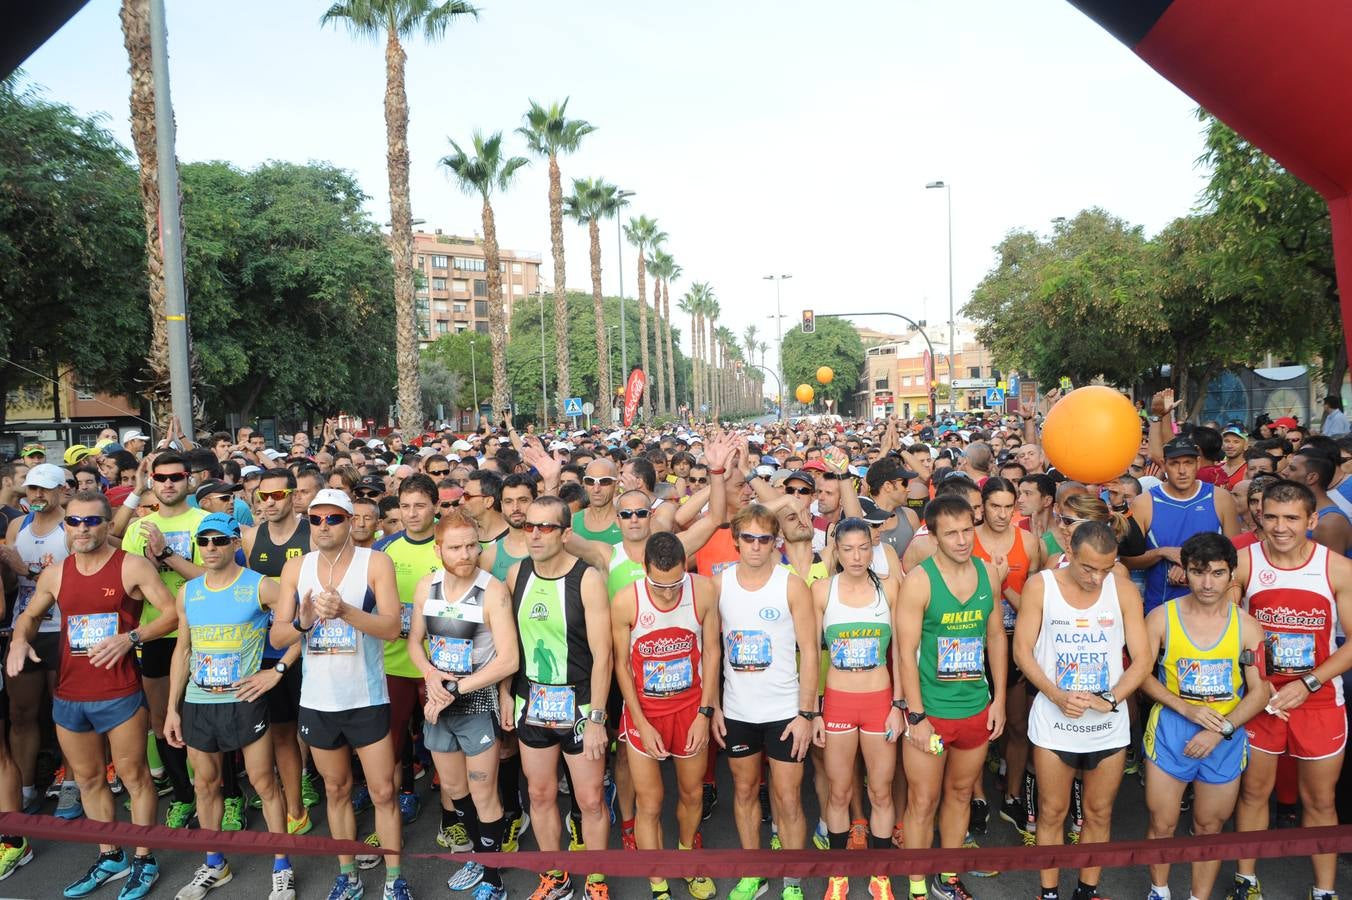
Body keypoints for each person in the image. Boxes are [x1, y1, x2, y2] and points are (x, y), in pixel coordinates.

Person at [6, 490, 178, 900]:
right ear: (66, 526)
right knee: (86, 779)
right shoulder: (57, 573)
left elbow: (172, 612)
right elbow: (29, 615)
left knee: (134, 777)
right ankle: (110, 854)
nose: (83, 529)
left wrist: (131, 637)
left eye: (93, 521)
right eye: (75, 521)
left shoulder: (131, 566)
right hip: (70, 693)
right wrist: (17, 641)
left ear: (106, 524)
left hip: (118, 691)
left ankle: (143, 859)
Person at [269, 489, 408, 900]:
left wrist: (346, 611)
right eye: (316, 520)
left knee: (383, 791)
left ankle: (394, 878)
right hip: (319, 699)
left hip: (365, 696)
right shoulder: (296, 568)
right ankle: (348, 875)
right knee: (335, 790)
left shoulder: (375, 562)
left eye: (333, 519)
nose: (324, 527)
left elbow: (391, 627)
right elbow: (277, 635)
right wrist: (303, 621)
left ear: (350, 522)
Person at [1225, 480, 1352, 900]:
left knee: (1319, 800)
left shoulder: (1336, 568)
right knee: (1255, 792)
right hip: (1262, 699)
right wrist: (1254, 682)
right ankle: (1247, 881)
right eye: (1272, 517)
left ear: (1312, 520)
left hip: (1316, 699)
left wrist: (1308, 682)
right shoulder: (1242, 562)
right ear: (1260, 516)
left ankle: (1325, 890)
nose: (1280, 527)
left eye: (1292, 518)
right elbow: (1224, 629)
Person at [163, 512, 297, 900]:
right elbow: (182, 650)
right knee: (204, 785)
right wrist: (173, 708)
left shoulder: (260, 586)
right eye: (203, 541)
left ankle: (282, 865)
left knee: (263, 783)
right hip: (199, 703)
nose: (210, 548)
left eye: (219, 541)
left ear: (235, 544)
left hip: (244, 701)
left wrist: (278, 670)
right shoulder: (189, 591)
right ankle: (214, 864)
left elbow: (300, 628)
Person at [1014, 520, 1150, 900]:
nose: (1096, 578)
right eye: (1088, 567)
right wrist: (1056, 695)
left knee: (1099, 814)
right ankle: (1049, 893)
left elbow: (1142, 659)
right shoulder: (1041, 586)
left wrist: (1111, 698)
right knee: (1052, 812)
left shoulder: (1121, 589)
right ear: (1069, 553)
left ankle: (1087, 891)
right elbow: (1022, 651)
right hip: (1055, 721)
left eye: (1106, 568)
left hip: (1106, 724)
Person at [1140, 533, 1268, 900]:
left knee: (1209, 826)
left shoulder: (1247, 626)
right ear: (1186, 572)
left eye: (1217, 572)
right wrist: (1185, 708)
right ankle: (1159, 891)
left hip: (1224, 737)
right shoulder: (1161, 617)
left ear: (1232, 575)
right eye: (1198, 572)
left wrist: (1220, 731)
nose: (1207, 583)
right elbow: (1142, 676)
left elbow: (1259, 691)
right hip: (1172, 731)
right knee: (1162, 824)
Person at [897, 494, 1006, 900]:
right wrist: (917, 716)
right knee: (922, 801)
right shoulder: (920, 581)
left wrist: (997, 700)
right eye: (951, 533)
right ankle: (916, 884)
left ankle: (946, 875)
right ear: (935, 536)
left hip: (975, 707)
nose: (962, 540)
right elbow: (906, 654)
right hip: (933, 712)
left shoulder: (986, 572)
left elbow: (995, 635)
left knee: (960, 794)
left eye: (966, 530)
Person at [407, 509, 519, 900]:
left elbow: (508, 659)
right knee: (455, 790)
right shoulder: (427, 586)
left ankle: (493, 876)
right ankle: (477, 852)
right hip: (439, 703)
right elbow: (414, 643)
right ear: (439, 550)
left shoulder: (493, 590)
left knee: (484, 791)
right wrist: (431, 676)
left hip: (475, 703)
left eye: (472, 545)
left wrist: (457, 687)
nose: (466, 554)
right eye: (455, 547)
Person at [505, 495, 612, 900]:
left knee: (589, 799)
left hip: (582, 705)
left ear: (566, 533)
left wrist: (599, 718)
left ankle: (596, 881)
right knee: (539, 793)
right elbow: (508, 645)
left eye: (546, 527)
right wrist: (503, 695)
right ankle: (555, 876)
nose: (534, 534)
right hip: (531, 703)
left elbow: (604, 654)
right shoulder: (517, 575)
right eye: (529, 526)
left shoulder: (586, 578)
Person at [713, 503, 818, 900]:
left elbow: (809, 651)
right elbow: (709, 651)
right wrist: (714, 706)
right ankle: (753, 872)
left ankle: (792, 880)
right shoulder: (720, 585)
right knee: (744, 792)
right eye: (748, 538)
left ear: (775, 542)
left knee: (789, 798)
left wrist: (807, 713)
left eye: (764, 539)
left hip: (784, 712)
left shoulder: (791, 584)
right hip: (738, 712)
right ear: (736, 540)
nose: (756, 547)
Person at [611, 532, 720, 900]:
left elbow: (713, 652)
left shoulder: (702, 591)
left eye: (676, 583)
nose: (670, 593)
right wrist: (640, 723)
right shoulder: (627, 600)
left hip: (690, 710)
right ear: (644, 570)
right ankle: (657, 881)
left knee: (691, 795)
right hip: (647, 714)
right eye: (660, 585)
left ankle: (688, 861)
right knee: (651, 802)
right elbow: (622, 667)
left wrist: (705, 712)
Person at [815, 518, 904, 900]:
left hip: (879, 701)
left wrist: (899, 704)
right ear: (836, 550)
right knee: (839, 791)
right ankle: (839, 874)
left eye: (863, 548)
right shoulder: (821, 591)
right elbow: (811, 654)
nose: (856, 556)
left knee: (881, 792)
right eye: (847, 548)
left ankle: (879, 874)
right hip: (837, 700)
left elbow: (900, 650)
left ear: (873, 548)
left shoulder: (890, 588)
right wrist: (813, 709)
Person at [121, 452, 208, 827]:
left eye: (176, 477)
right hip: (156, 631)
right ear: (152, 482)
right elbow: (126, 584)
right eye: (161, 478)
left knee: (202, 718)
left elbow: (215, 578)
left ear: (189, 480)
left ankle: (219, 793)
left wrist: (165, 555)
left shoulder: (205, 522)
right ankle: (183, 795)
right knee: (161, 718)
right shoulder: (138, 526)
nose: (169, 483)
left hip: (205, 631)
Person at [368, 474, 445, 854]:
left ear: (435, 507)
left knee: (446, 743)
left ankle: (453, 817)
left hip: (440, 666)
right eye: (405, 506)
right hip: (394, 664)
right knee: (393, 742)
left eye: (420, 506)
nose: (412, 514)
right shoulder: (384, 550)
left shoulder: (449, 546)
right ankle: (404, 796)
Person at [241, 468, 313, 833]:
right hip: (266, 650)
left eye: (276, 496)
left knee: (317, 732)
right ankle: (295, 808)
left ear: (293, 495)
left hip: (308, 648)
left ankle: (323, 792)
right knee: (281, 733)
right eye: (261, 496)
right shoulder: (252, 537)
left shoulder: (312, 533)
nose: (268, 503)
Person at [0, 462, 73, 816]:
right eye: (32, 489)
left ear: (62, 490)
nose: (38, 495)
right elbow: (13, 585)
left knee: (68, 713)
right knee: (21, 713)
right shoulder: (19, 525)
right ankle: (26, 787)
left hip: (65, 629)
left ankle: (72, 784)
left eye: (45, 489)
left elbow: (78, 581)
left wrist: (26, 570)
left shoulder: (72, 528)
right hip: (25, 629)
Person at [971, 476, 1042, 838]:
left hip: (1015, 643)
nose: (1001, 514)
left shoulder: (1029, 543)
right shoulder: (966, 540)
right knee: (975, 731)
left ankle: (1013, 796)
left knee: (1017, 725)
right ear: (981, 506)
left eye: (1007, 507)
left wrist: (1004, 588)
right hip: (972, 644)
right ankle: (977, 797)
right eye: (994, 506)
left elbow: (1038, 600)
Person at [1129, 435, 1239, 615]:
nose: (1182, 470)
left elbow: (1236, 556)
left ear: (1198, 463)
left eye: (1188, 462)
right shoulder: (1144, 503)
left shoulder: (1220, 498)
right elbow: (1128, 561)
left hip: (1212, 614)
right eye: (1174, 463)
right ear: (1163, 465)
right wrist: (1163, 552)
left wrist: (1191, 567)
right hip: (1161, 612)